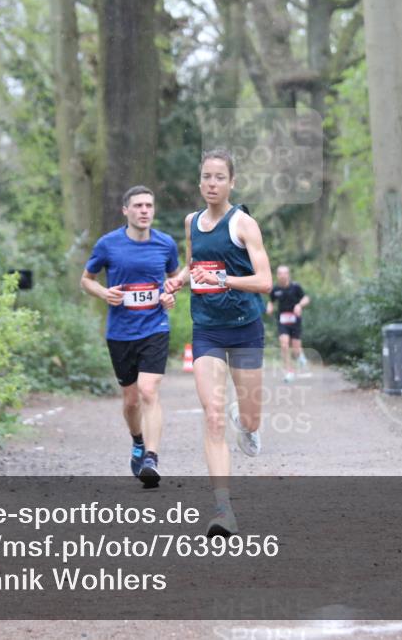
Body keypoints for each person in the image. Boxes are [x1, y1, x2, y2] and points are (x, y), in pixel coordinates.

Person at [165, 149, 272, 537]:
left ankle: (246, 425)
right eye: (206, 177)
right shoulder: (192, 222)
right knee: (211, 413)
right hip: (206, 328)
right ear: (200, 182)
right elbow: (193, 266)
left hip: (245, 328)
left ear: (232, 182)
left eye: (219, 177)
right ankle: (223, 510)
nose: (212, 183)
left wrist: (225, 280)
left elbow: (264, 281)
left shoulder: (244, 224)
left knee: (249, 418)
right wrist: (178, 280)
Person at [80, 186, 179, 488]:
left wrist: (169, 295)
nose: (144, 210)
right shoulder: (108, 244)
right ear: (126, 210)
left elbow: (173, 280)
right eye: (138, 205)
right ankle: (137, 441)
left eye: (149, 205)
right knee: (131, 400)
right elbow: (86, 280)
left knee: (149, 391)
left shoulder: (165, 244)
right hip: (121, 332)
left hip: (154, 328)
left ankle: (151, 456)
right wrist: (103, 293)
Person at [266, 265, 310, 382]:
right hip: (283, 321)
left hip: (295, 320)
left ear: (288, 274)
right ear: (277, 275)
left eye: (285, 273)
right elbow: (271, 301)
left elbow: (306, 298)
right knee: (284, 344)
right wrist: (269, 307)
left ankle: (301, 357)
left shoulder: (296, 287)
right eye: (280, 273)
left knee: (296, 348)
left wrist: (299, 305)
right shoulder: (275, 289)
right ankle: (289, 372)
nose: (282, 276)